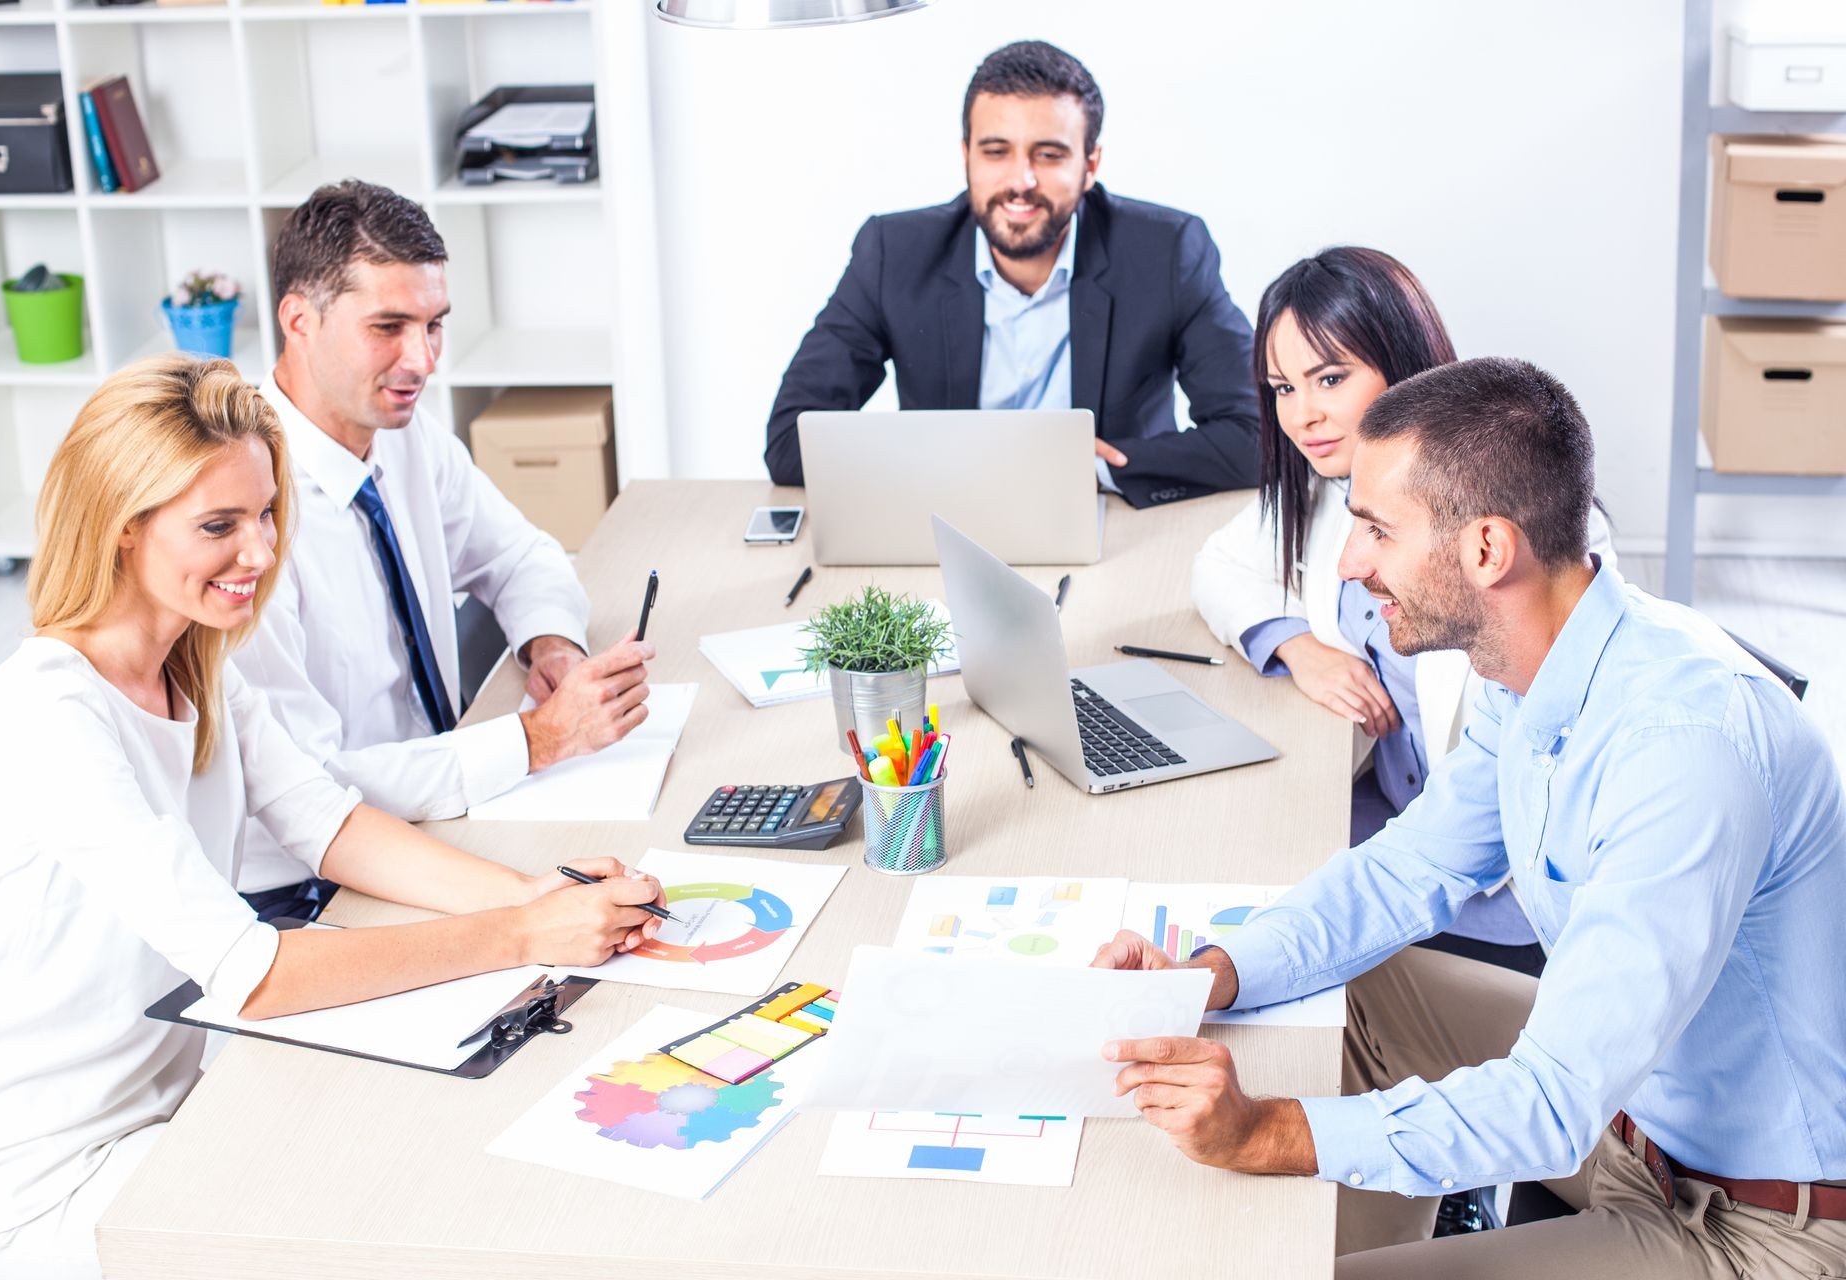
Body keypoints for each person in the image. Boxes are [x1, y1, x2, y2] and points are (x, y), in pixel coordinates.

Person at [1096, 356, 1846, 1277]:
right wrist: (1207, 976)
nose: (1350, 563)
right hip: (1632, 1120)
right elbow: (1408, 869)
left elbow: (1551, 1102)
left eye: (1377, 530)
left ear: (1488, 550)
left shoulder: (1686, 749)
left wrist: (1269, 1132)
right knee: (1362, 990)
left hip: (1751, 1225)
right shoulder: (1535, 666)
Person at [0, 356, 666, 1280]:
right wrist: (520, 934)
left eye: (267, 513)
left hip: (177, 1110)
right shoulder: (47, 715)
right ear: (122, 528)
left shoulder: (196, 666)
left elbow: (329, 825)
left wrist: (538, 894)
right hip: (46, 1187)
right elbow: (254, 974)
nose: (260, 552)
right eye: (219, 525)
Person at [231, 179, 652, 920]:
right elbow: (308, 787)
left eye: (434, 326)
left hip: (441, 810)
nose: (423, 360)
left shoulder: (407, 437)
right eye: (389, 327)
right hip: (308, 882)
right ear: (299, 320)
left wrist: (550, 645)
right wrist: (536, 739)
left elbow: (521, 556)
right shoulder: (243, 512)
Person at [1192, 248, 1614, 976]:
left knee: (1268, 938)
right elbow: (1218, 565)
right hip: (1400, 828)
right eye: (1283, 387)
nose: (1303, 415)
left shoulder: (1528, 539)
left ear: (1403, 366)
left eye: (1330, 379)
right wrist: (1298, 647)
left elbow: (1509, 796)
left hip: (1491, 886)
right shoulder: (1331, 488)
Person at [763, 39, 1258, 509]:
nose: (1021, 181)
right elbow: (789, 441)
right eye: (996, 151)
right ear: (966, 156)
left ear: (1090, 165)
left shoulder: (1168, 251)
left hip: (1112, 522)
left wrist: (1092, 469)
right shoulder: (893, 253)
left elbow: (1257, 436)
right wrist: (955, 466)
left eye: (1049, 154)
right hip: (944, 520)